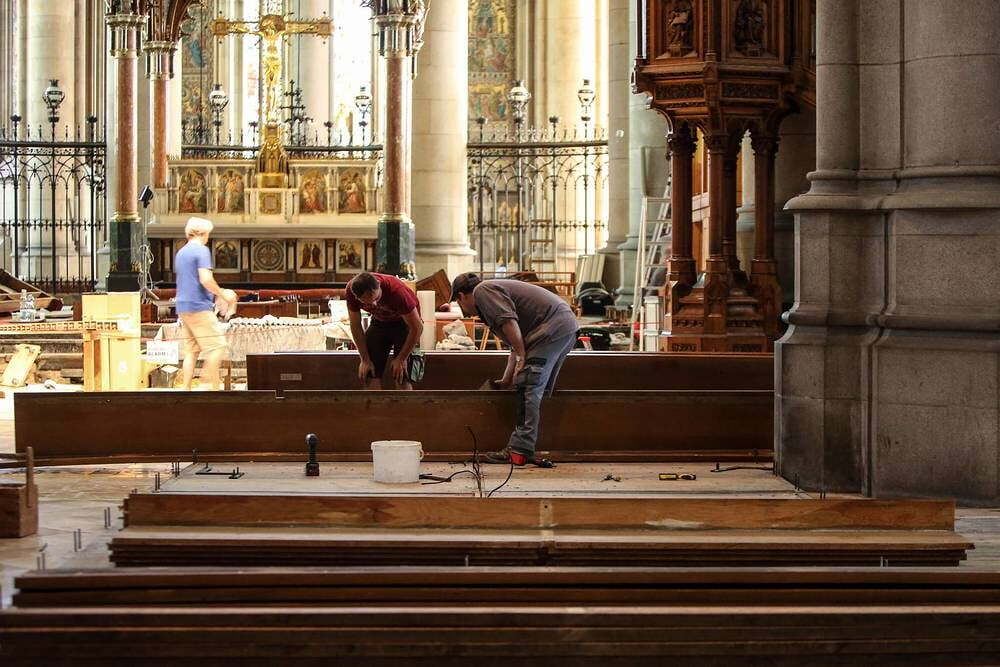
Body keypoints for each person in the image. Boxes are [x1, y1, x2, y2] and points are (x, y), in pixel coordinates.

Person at [451, 272, 579, 466]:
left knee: (529, 383)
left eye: (459, 303)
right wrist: (507, 378)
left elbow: (510, 325)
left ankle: (519, 450)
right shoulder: (491, 295)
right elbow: (515, 341)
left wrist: (521, 357)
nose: (464, 311)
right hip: (560, 327)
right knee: (532, 385)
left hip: (552, 328)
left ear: (461, 296)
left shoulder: (482, 291)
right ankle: (525, 446)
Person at [174, 217, 237, 390]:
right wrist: (223, 294)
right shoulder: (201, 250)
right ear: (202, 233)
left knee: (191, 351)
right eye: (208, 233)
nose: (208, 237)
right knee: (218, 347)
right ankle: (209, 387)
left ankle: (186, 389)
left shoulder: (181, 253)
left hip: (183, 307)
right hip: (198, 306)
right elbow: (206, 279)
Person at [346, 272, 423, 390]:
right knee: (370, 372)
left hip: (404, 323)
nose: (374, 304)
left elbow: (417, 327)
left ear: (378, 284)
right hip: (379, 321)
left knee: (401, 374)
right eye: (367, 303)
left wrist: (401, 359)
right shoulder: (351, 291)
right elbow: (355, 325)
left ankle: (405, 401)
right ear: (357, 297)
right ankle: (374, 402)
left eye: (376, 298)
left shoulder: (397, 291)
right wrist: (365, 359)